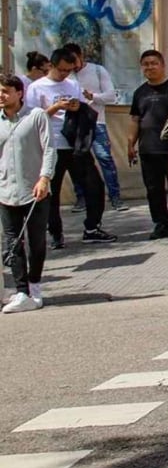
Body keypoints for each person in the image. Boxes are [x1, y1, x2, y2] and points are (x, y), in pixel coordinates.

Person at [25, 49, 112, 246]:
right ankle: (55, 233)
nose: (65, 74)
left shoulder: (73, 84)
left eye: (69, 70)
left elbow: (82, 108)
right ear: (52, 66)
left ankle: (92, 227)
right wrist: (55, 108)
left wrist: (75, 106)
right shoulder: (37, 87)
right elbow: (30, 120)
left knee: (94, 185)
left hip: (75, 144)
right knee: (51, 192)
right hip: (51, 145)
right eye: (62, 70)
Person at [0, 74, 56, 313]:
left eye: (5, 91)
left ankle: (34, 286)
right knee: (12, 242)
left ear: (19, 93)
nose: (1, 96)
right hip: (5, 191)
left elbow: (50, 149)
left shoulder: (37, 116)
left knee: (36, 242)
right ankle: (21, 291)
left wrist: (45, 178)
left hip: (35, 191)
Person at [126, 50, 168, 239]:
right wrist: (130, 144)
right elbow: (135, 120)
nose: (150, 67)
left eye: (154, 63)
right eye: (146, 64)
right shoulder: (140, 92)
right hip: (148, 150)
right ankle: (161, 225)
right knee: (153, 190)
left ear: (162, 65)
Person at [66, 43, 126, 212]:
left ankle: (115, 197)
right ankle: (81, 198)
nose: (72, 65)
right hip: (75, 124)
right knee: (76, 161)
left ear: (81, 55)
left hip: (96, 122)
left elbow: (111, 96)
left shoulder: (98, 70)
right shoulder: (66, 76)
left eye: (74, 60)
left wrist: (92, 96)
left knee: (105, 158)